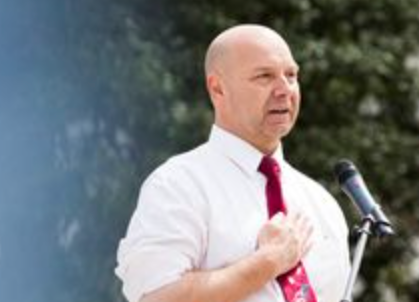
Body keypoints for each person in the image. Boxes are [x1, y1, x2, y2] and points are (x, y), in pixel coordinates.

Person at [115, 24, 350, 302]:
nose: (285, 89)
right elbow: (155, 298)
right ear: (218, 88)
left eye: (291, 75)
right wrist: (266, 263)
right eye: (265, 76)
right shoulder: (177, 185)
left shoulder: (322, 204)